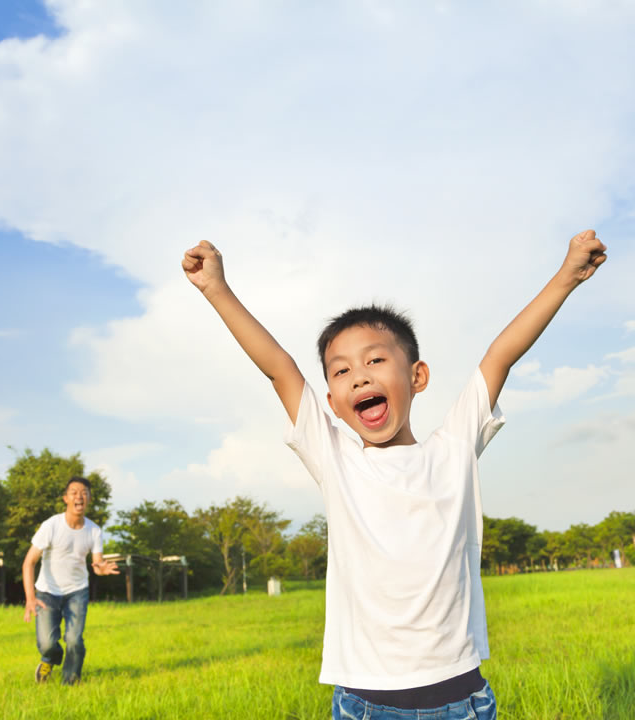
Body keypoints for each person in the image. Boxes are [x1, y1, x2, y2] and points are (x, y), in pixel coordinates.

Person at [182, 230, 607, 719]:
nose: (359, 376)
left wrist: (565, 278)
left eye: (376, 360)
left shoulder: (452, 451)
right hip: (365, 704)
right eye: (340, 372)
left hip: (461, 700)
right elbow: (280, 369)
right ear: (334, 406)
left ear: (417, 376)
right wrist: (216, 289)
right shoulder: (337, 459)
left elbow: (500, 355)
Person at [22, 476, 119, 685]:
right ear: (66, 498)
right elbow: (29, 562)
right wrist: (30, 598)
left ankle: (70, 683)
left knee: (74, 640)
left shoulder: (94, 530)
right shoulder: (51, 525)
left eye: (84, 492)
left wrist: (102, 569)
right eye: (74, 492)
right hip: (47, 592)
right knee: (47, 643)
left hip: (77, 591)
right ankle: (50, 658)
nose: (79, 496)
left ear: (89, 499)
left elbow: (97, 565)